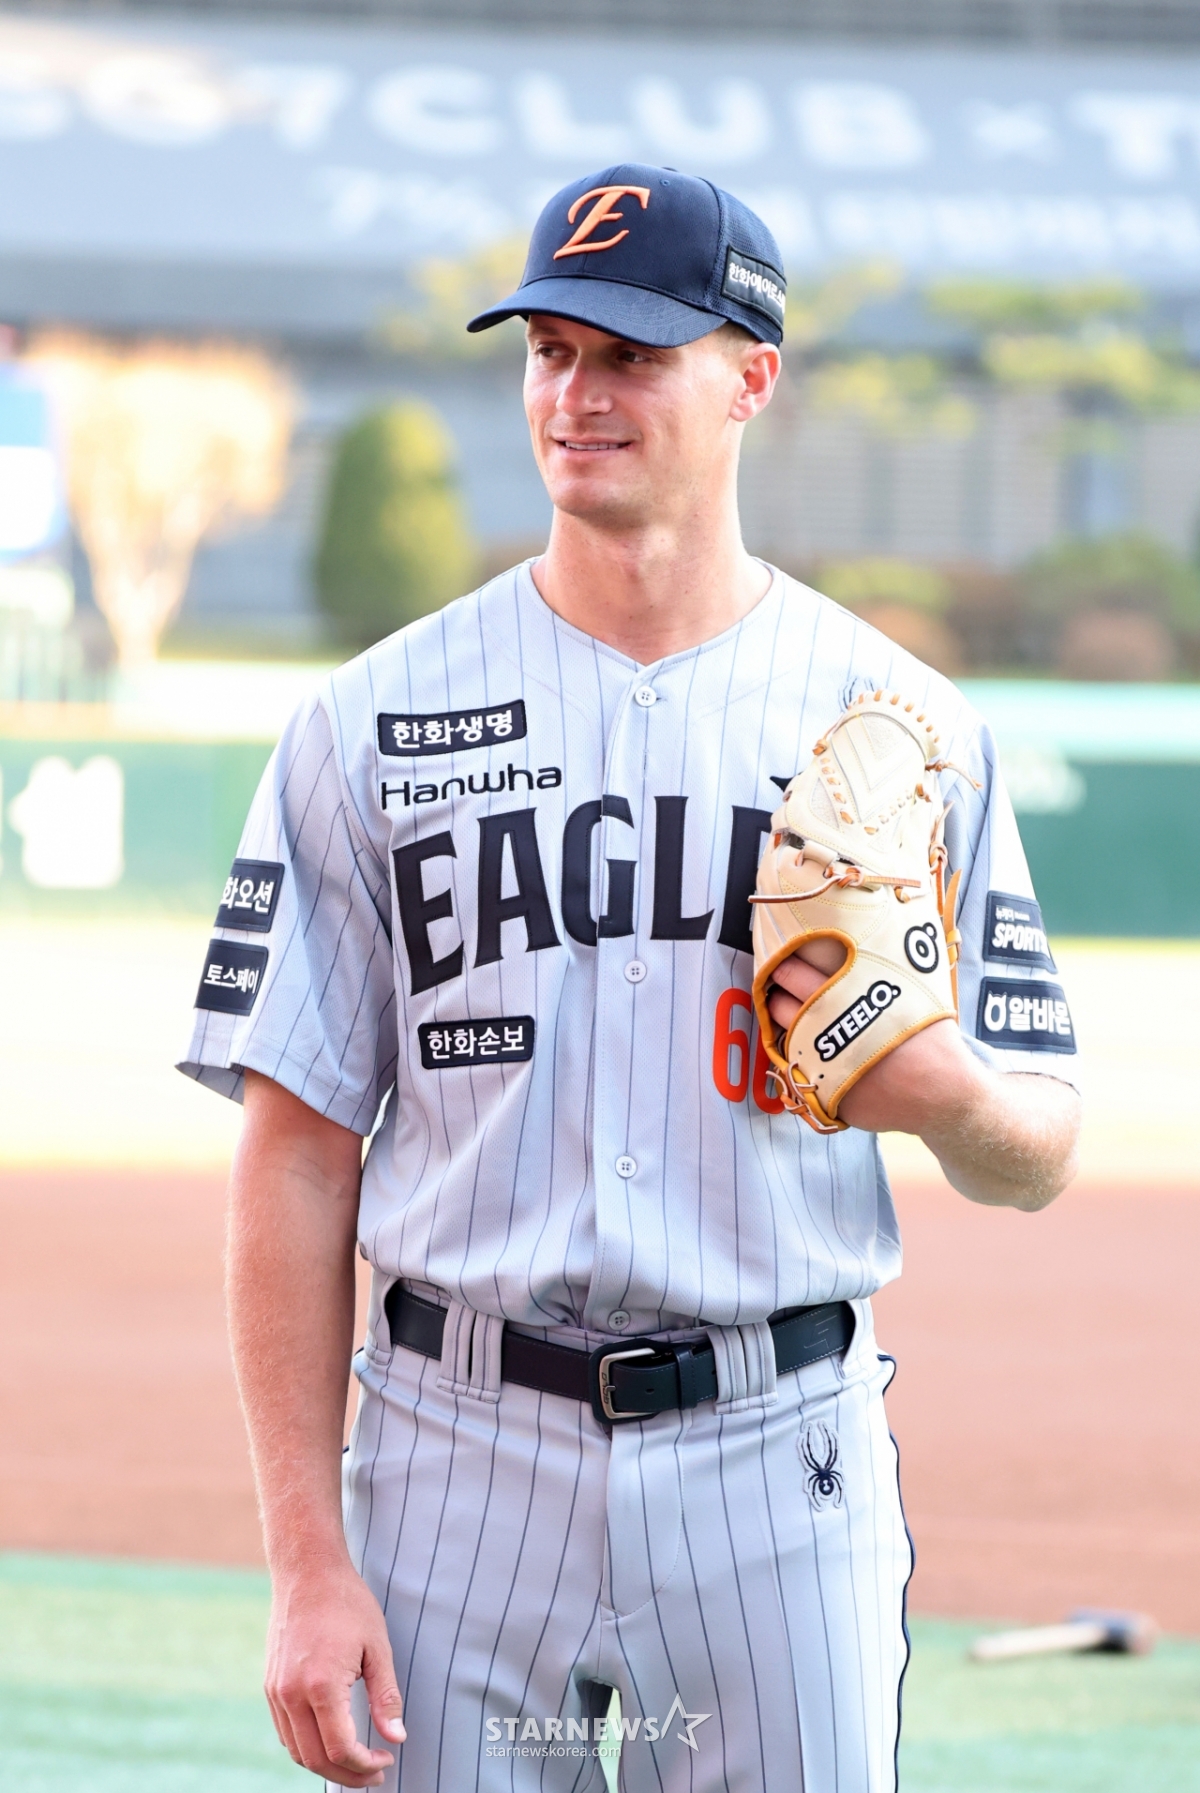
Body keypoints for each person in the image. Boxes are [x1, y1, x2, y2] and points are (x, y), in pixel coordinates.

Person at [179, 165, 1081, 1792]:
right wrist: (306, 1559)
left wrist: (950, 1095)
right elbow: (296, 1152)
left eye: (632, 355)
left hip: (774, 1460)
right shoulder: (371, 723)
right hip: (452, 1456)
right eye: (550, 349)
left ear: (751, 377)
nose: (574, 395)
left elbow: (1042, 1146)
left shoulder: (903, 728)